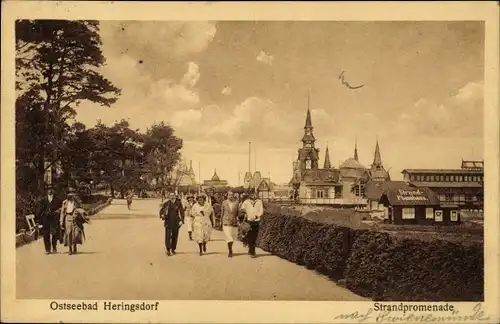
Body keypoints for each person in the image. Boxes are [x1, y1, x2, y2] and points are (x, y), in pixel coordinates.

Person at [59, 189, 89, 255]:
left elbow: (81, 209)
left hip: (75, 218)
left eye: (72, 193)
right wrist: (61, 221)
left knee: (76, 233)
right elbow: (62, 213)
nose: (70, 195)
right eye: (69, 194)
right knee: (69, 233)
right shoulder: (64, 202)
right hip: (67, 218)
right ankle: (70, 249)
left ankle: (75, 246)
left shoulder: (76, 202)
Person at [36, 187, 62, 254]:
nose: (50, 191)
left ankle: (54, 248)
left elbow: (61, 209)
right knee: (46, 234)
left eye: (51, 189)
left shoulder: (58, 200)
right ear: (47, 191)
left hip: (54, 219)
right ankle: (47, 249)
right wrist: (38, 221)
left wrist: (58, 211)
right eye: (49, 189)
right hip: (46, 219)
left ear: (54, 191)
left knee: (54, 234)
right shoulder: (43, 200)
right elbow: (40, 210)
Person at [239, 190, 264, 258]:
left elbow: (261, 211)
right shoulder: (246, 202)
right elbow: (242, 210)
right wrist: (244, 214)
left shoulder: (259, 201)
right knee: (250, 236)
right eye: (251, 194)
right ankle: (252, 251)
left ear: (256, 194)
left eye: (254, 193)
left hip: (256, 221)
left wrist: (257, 216)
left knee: (255, 236)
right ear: (249, 194)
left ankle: (251, 249)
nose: (253, 195)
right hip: (249, 221)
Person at [221, 190, 239, 257]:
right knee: (228, 236)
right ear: (227, 195)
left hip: (233, 222)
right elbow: (222, 213)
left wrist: (239, 220)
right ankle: (230, 250)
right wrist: (220, 222)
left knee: (232, 237)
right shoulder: (224, 202)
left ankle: (230, 248)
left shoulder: (236, 203)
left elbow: (238, 212)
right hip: (225, 221)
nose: (230, 196)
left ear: (233, 195)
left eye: (232, 195)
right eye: (229, 195)